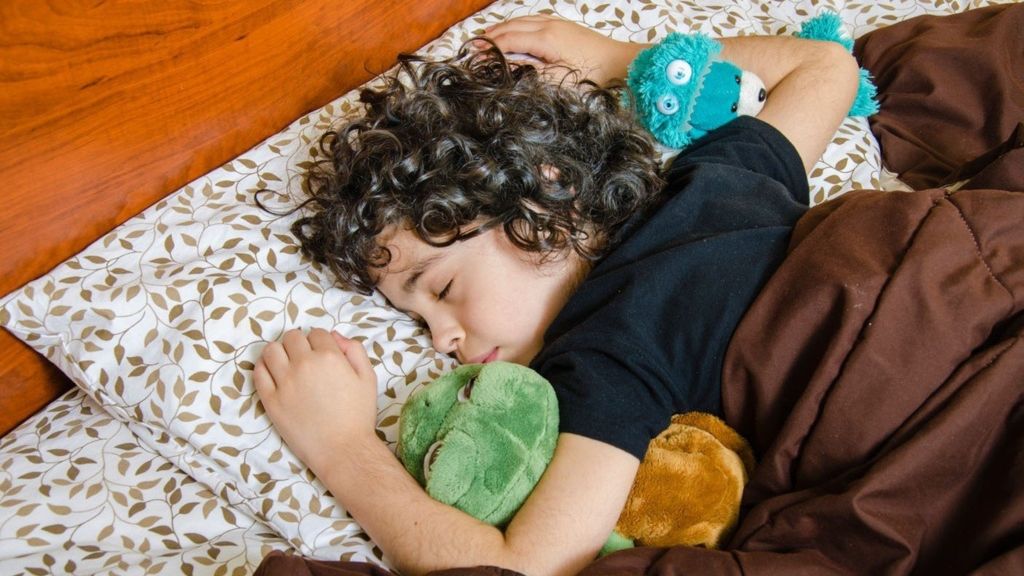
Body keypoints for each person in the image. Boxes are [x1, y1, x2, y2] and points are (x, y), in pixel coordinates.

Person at [253, 14, 858, 576]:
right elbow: (826, 67)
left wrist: (342, 448)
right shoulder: (710, 176)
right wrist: (617, 55)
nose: (440, 340)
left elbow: (524, 567)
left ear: (549, 196)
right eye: (419, 320)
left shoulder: (608, 356)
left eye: (443, 288)